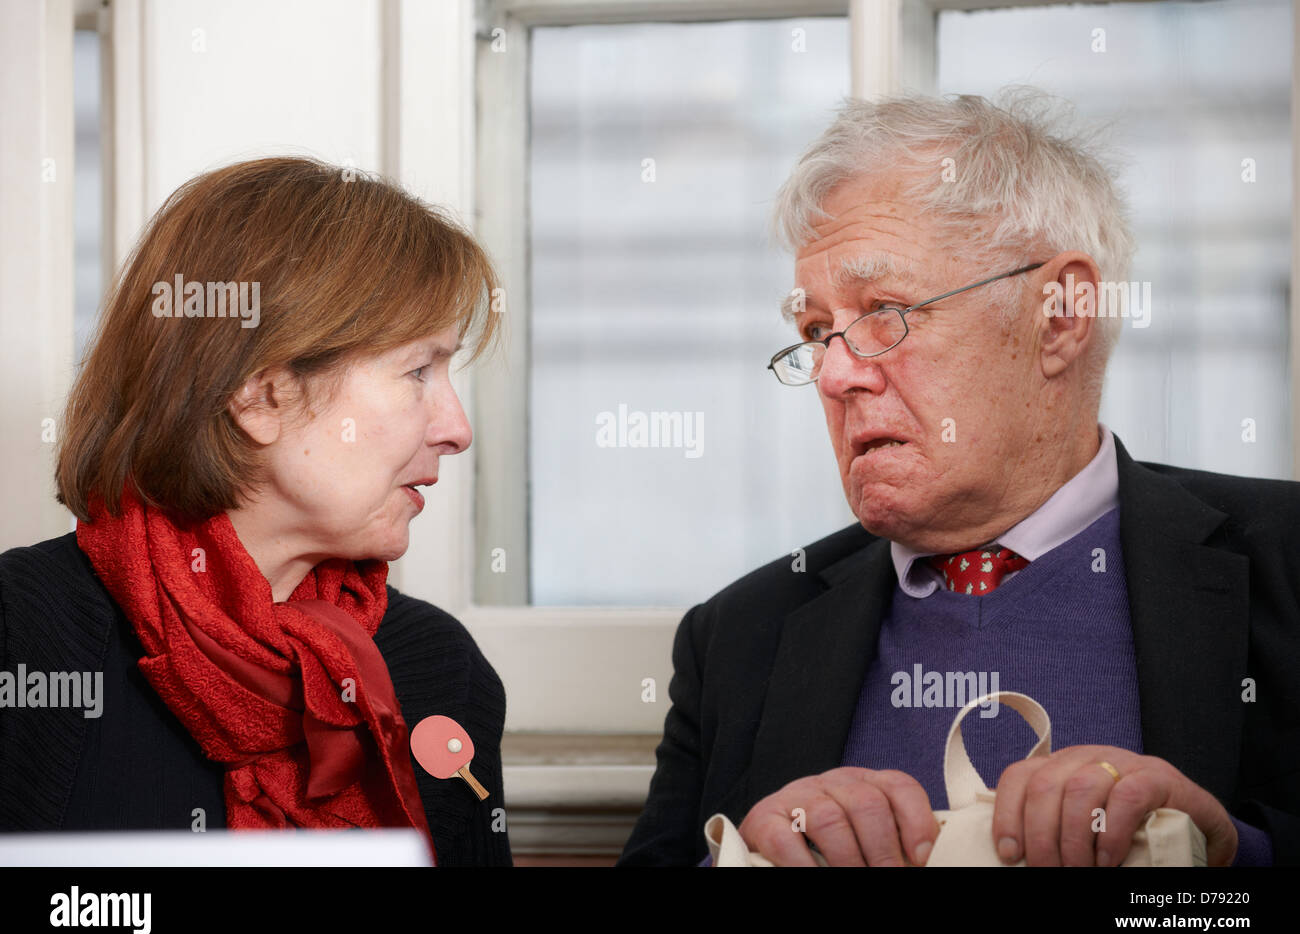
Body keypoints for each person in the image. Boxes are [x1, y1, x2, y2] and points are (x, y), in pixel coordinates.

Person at [619, 91, 1300, 867]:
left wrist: (1229, 861)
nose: (836, 373)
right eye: (815, 332)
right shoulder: (741, 634)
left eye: (886, 313)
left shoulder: (1285, 562)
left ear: (1061, 316)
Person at [0, 157, 512, 866]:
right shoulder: (21, 637)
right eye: (418, 371)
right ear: (261, 397)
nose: (456, 428)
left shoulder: (435, 669)